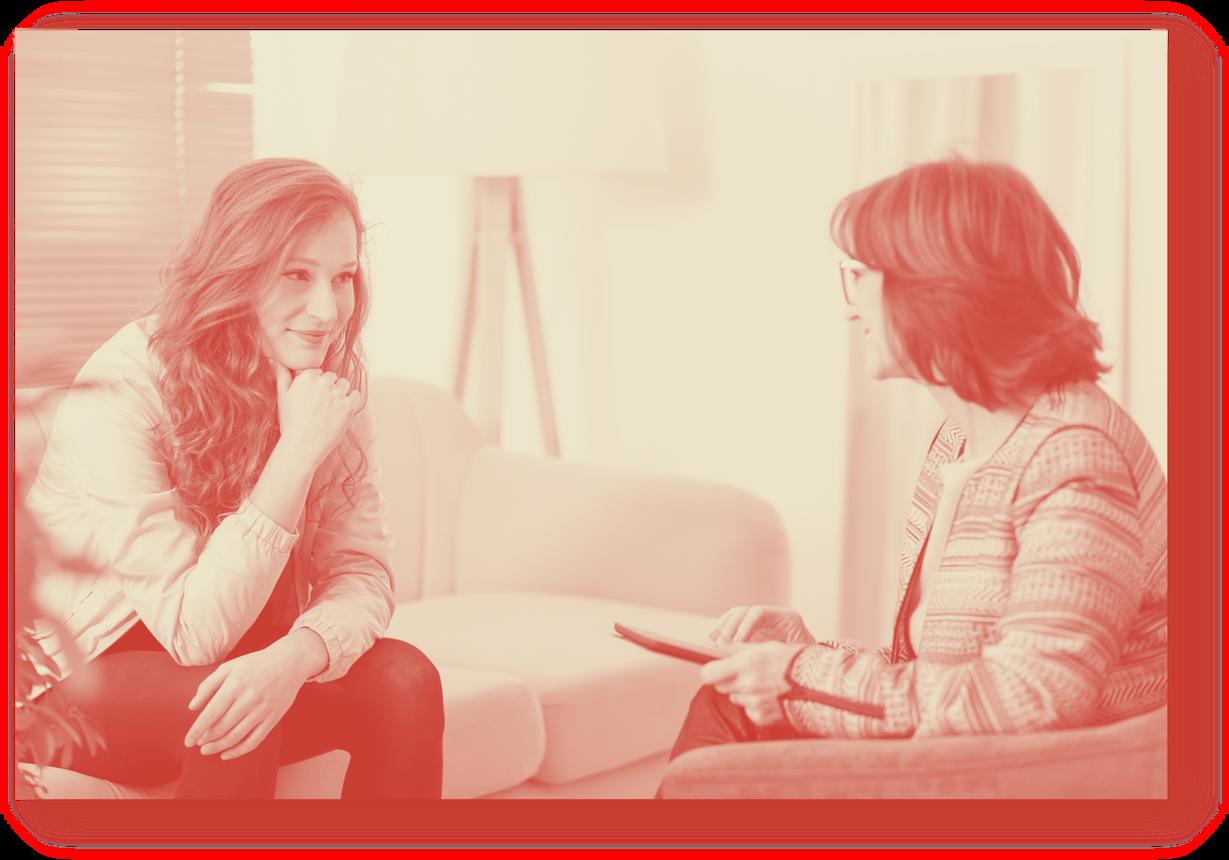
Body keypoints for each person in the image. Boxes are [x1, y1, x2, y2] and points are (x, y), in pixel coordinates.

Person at [665, 157, 1167, 761]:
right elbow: (944, 675)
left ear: (936, 288)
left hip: (1051, 774)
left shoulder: (1074, 456)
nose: (851, 307)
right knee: (728, 705)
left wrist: (800, 677)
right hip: (976, 756)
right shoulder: (961, 439)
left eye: (859, 277)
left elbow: (1033, 698)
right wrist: (807, 656)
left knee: (725, 728)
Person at [24, 158, 444, 799]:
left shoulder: (326, 386)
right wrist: (296, 453)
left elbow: (362, 571)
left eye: (343, 277)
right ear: (235, 272)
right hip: (81, 682)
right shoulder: (128, 385)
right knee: (227, 707)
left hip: (239, 655)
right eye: (296, 274)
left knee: (404, 679)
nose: (326, 310)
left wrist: (296, 655)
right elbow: (194, 633)